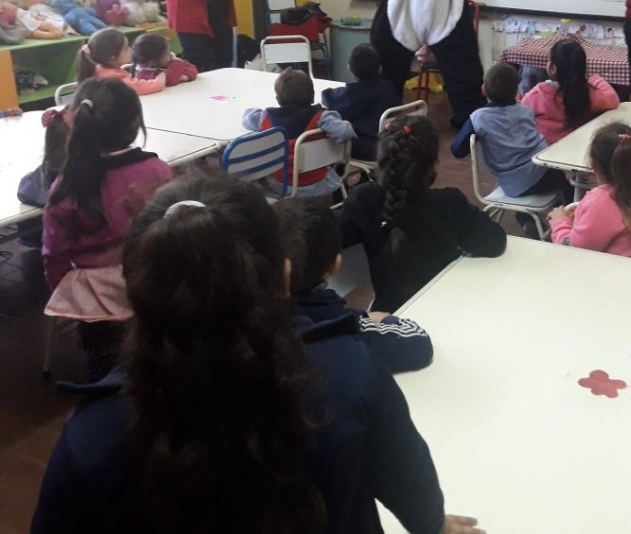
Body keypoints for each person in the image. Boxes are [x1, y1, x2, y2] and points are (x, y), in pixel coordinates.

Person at [32, 174, 485, 534]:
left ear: (135, 291)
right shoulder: (350, 371)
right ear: (286, 278)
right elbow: (407, 478)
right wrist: (436, 526)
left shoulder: (92, 434)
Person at [41, 78, 172, 381]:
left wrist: (62, 287)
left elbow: (54, 251)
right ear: (135, 122)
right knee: (153, 346)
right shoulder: (158, 170)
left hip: (95, 296)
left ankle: (107, 399)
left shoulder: (67, 187)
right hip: (149, 277)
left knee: (103, 361)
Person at [340, 114, 507, 312]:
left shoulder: (363, 202)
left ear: (382, 158)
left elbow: (322, 242)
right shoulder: (449, 203)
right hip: (449, 310)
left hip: (392, 316)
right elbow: (495, 243)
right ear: (431, 165)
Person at [273, 196, 434, 374]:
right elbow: (419, 342)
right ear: (335, 265)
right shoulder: (348, 330)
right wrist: (382, 319)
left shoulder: (250, 318)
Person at [451, 61, 570, 200]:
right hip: (539, 170)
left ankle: (528, 218)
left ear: (483, 89)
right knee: (572, 181)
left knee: (566, 177)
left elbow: (457, 150)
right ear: (516, 91)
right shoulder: (526, 110)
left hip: (514, 183)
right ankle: (568, 217)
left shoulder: (479, 118)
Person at [549, 122, 631, 260]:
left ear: (593, 164)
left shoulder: (597, 204)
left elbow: (572, 251)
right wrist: (580, 215)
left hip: (604, 276)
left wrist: (559, 222)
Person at [242, 68, 355, 197]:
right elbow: (346, 131)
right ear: (312, 95)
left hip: (282, 185)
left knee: (257, 176)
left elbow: (247, 119)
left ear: (278, 99)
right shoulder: (321, 117)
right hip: (317, 183)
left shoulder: (267, 117)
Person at [521, 38, 620, 145]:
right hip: (574, 151)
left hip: (543, 153)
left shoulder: (536, 95)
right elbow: (613, 99)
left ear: (552, 68)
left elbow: (520, 118)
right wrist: (595, 78)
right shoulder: (588, 94)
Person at [322, 43, 402, 161]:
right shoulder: (389, 88)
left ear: (349, 68)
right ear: (380, 69)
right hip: (390, 144)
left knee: (330, 133)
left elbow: (328, 99)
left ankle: (337, 174)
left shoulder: (350, 94)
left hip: (364, 147)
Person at [75, 27, 165, 95]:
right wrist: (159, 82)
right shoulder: (113, 78)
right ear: (113, 58)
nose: (130, 50)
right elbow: (138, 88)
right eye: (126, 48)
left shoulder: (98, 69)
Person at [130, 32, 198, 86]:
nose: (171, 54)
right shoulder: (144, 73)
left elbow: (193, 69)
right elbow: (170, 80)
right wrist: (177, 62)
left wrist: (184, 77)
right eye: (166, 54)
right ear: (152, 61)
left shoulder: (166, 63)